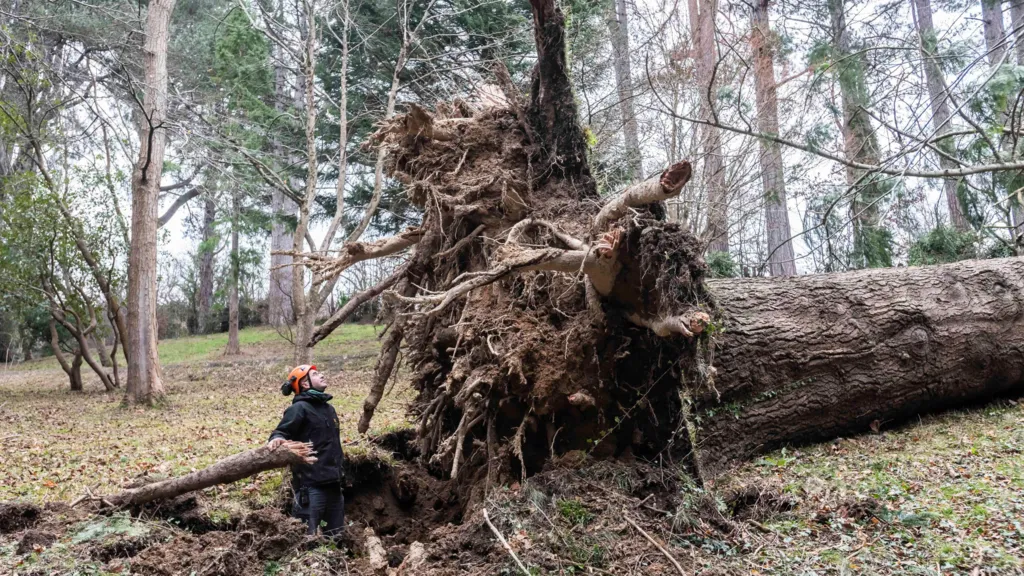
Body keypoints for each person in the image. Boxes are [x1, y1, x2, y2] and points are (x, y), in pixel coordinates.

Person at [267, 364, 346, 537]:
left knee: (337, 537)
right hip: (310, 487)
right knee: (304, 538)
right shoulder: (299, 408)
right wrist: (276, 438)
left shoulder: (329, 409)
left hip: (334, 484)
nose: (322, 375)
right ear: (304, 384)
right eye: (316, 374)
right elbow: (281, 431)